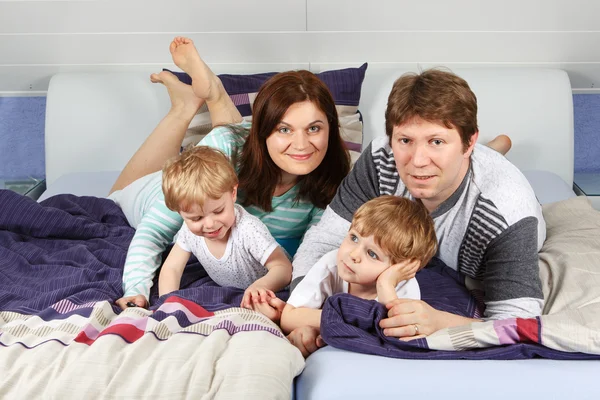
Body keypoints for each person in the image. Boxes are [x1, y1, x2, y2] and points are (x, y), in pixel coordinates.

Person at [289, 68, 546, 354]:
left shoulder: (506, 213)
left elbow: (517, 323)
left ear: (468, 141)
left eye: (436, 141)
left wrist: (440, 321)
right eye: (405, 140)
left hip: (479, 231)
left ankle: (493, 151)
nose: (418, 161)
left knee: (484, 168)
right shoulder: (379, 160)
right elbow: (325, 239)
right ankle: (490, 148)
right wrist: (304, 310)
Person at [112, 37, 351, 310]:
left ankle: (213, 94)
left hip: (235, 157)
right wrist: (136, 289)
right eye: (284, 129)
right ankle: (185, 106)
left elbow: (314, 252)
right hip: (155, 192)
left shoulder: (334, 184)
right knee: (117, 193)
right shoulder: (227, 145)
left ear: (330, 130)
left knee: (230, 138)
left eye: (314, 129)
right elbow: (154, 231)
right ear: (263, 132)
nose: (301, 145)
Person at [277, 196, 437, 352]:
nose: (353, 254)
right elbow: (289, 317)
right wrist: (313, 328)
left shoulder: (404, 287)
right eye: (354, 238)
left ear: (401, 268)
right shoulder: (331, 264)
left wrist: (385, 285)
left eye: (372, 254)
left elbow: (396, 336)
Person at [157, 146, 291, 308]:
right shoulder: (188, 231)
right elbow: (172, 268)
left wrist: (260, 286)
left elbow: (283, 268)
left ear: (233, 193)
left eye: (218, 211)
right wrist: (167, 303)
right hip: (234, 292)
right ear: (179, 212)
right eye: (197, 218)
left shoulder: (248, 230)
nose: (210, 224)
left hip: (272, 288)